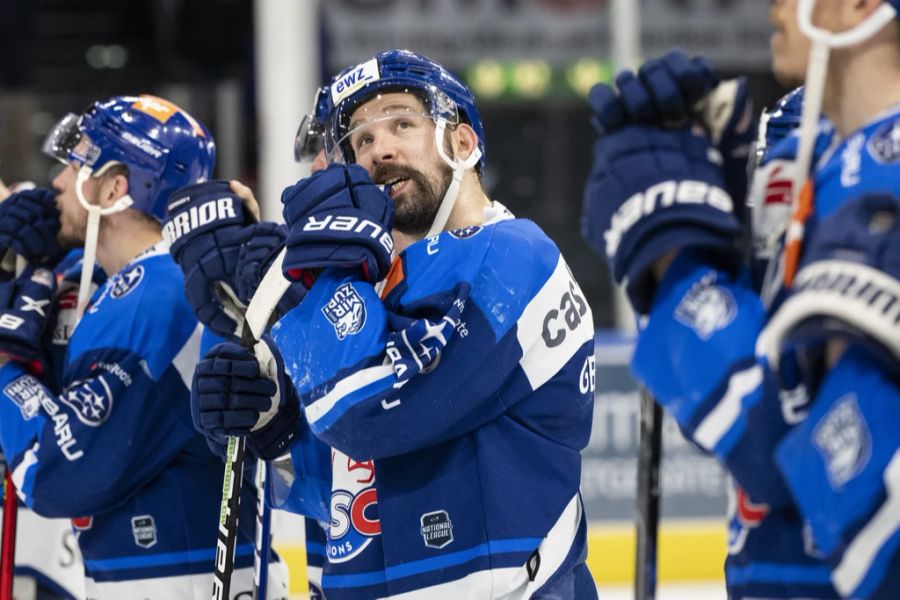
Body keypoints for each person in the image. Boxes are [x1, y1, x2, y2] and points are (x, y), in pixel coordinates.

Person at [186, 49, 599, 599]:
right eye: (359, 139)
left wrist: (321, 278)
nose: (378, 149)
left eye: (402, 122)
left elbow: (369, 415)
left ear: (462, 143)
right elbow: (342, 486)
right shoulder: (385, 283)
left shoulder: (511, 254)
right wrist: (272, 424)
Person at [581, 0, 900, 598]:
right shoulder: (815, 146)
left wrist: (673, 254)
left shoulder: (884, 166)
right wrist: (721, 231)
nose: (777, 7)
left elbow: (788, 450)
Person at [0, 95, 287, 599]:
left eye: (75, 165)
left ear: (114, 188)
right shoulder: (122, 283)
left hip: (182, 584)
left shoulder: (155, 294)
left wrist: (4, 366)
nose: (59, 183)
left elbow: (61, 471)